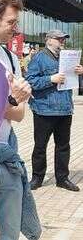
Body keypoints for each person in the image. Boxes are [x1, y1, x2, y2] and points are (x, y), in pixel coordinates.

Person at [0, 0, 40, 240]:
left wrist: (4, 102)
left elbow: (20, 113)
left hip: (7, 147)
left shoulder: (11, 58)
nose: (16, 28)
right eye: (11, 22)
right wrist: (8, 101)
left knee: (9, 230)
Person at [26, 29, 83, 192]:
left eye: (63, 39)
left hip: (65, 109)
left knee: (63, 146)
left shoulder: (67, 58)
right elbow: (30, 81)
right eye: (59, 39)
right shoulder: (38, 58)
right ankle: (37, 178)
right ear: (48, 40)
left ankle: (62, 178)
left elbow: (71, 81)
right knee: (40, 146)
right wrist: (51, 79)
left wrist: (80, 72)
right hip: (44, 110)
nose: (62, 41)